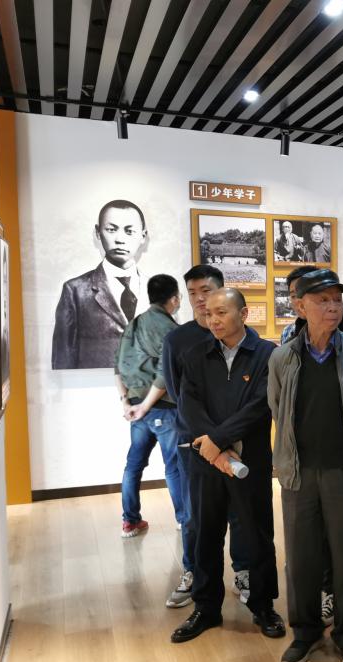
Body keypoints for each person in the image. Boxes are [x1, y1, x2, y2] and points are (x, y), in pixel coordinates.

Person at [268, 269, 343, 662]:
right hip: (299, 473)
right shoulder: (283, 357)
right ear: (299, 307)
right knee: (301, 559)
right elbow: (277, 407)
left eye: (337, 300)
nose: (333, 307)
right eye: (322, 300)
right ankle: (305, 632)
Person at [170, 288, 285, 644]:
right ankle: (206, 608)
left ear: (243, 314)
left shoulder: (267, 354)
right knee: (205, 534)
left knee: (257, 535)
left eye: (222, 312)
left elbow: (260, 406)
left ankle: (264, 606)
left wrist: (218, 440)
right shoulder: (195, 354)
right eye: (209, 313)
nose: (214, 319)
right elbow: (188, 405)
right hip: (206, 463)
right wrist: (215, 451)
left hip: (249, 462)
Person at [160, 266, 253, 609]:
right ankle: (194, 573)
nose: (200, 299)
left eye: (206, 290)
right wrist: (211, 441)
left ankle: (243, 572)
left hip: (238, 442)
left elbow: (250, 396)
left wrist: (226, 438)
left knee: (241, 513)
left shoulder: (242, 336)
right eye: (193, 292)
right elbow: (178, 394)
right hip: (195, 444)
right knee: (194, 516)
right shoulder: (177, 340)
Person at [113, 274, 183, 539]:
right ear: (174, 299)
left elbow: (117, 366)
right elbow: (166, 373)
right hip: (161, 407)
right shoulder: (170, 329)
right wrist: (145, 406)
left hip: (135, 406)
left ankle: (130, 521)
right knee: (174, 466)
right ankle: (184, 519)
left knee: (133, 465)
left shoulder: (133, 324)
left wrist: (127, 402)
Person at [53, 199, 149, 369]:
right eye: (111, 229)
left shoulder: (159, 291)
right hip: (94, 384)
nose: (120, 239)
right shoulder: (75, 291)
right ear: (98, 232)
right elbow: (63, 360)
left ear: (142, 236)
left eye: (129, 231)